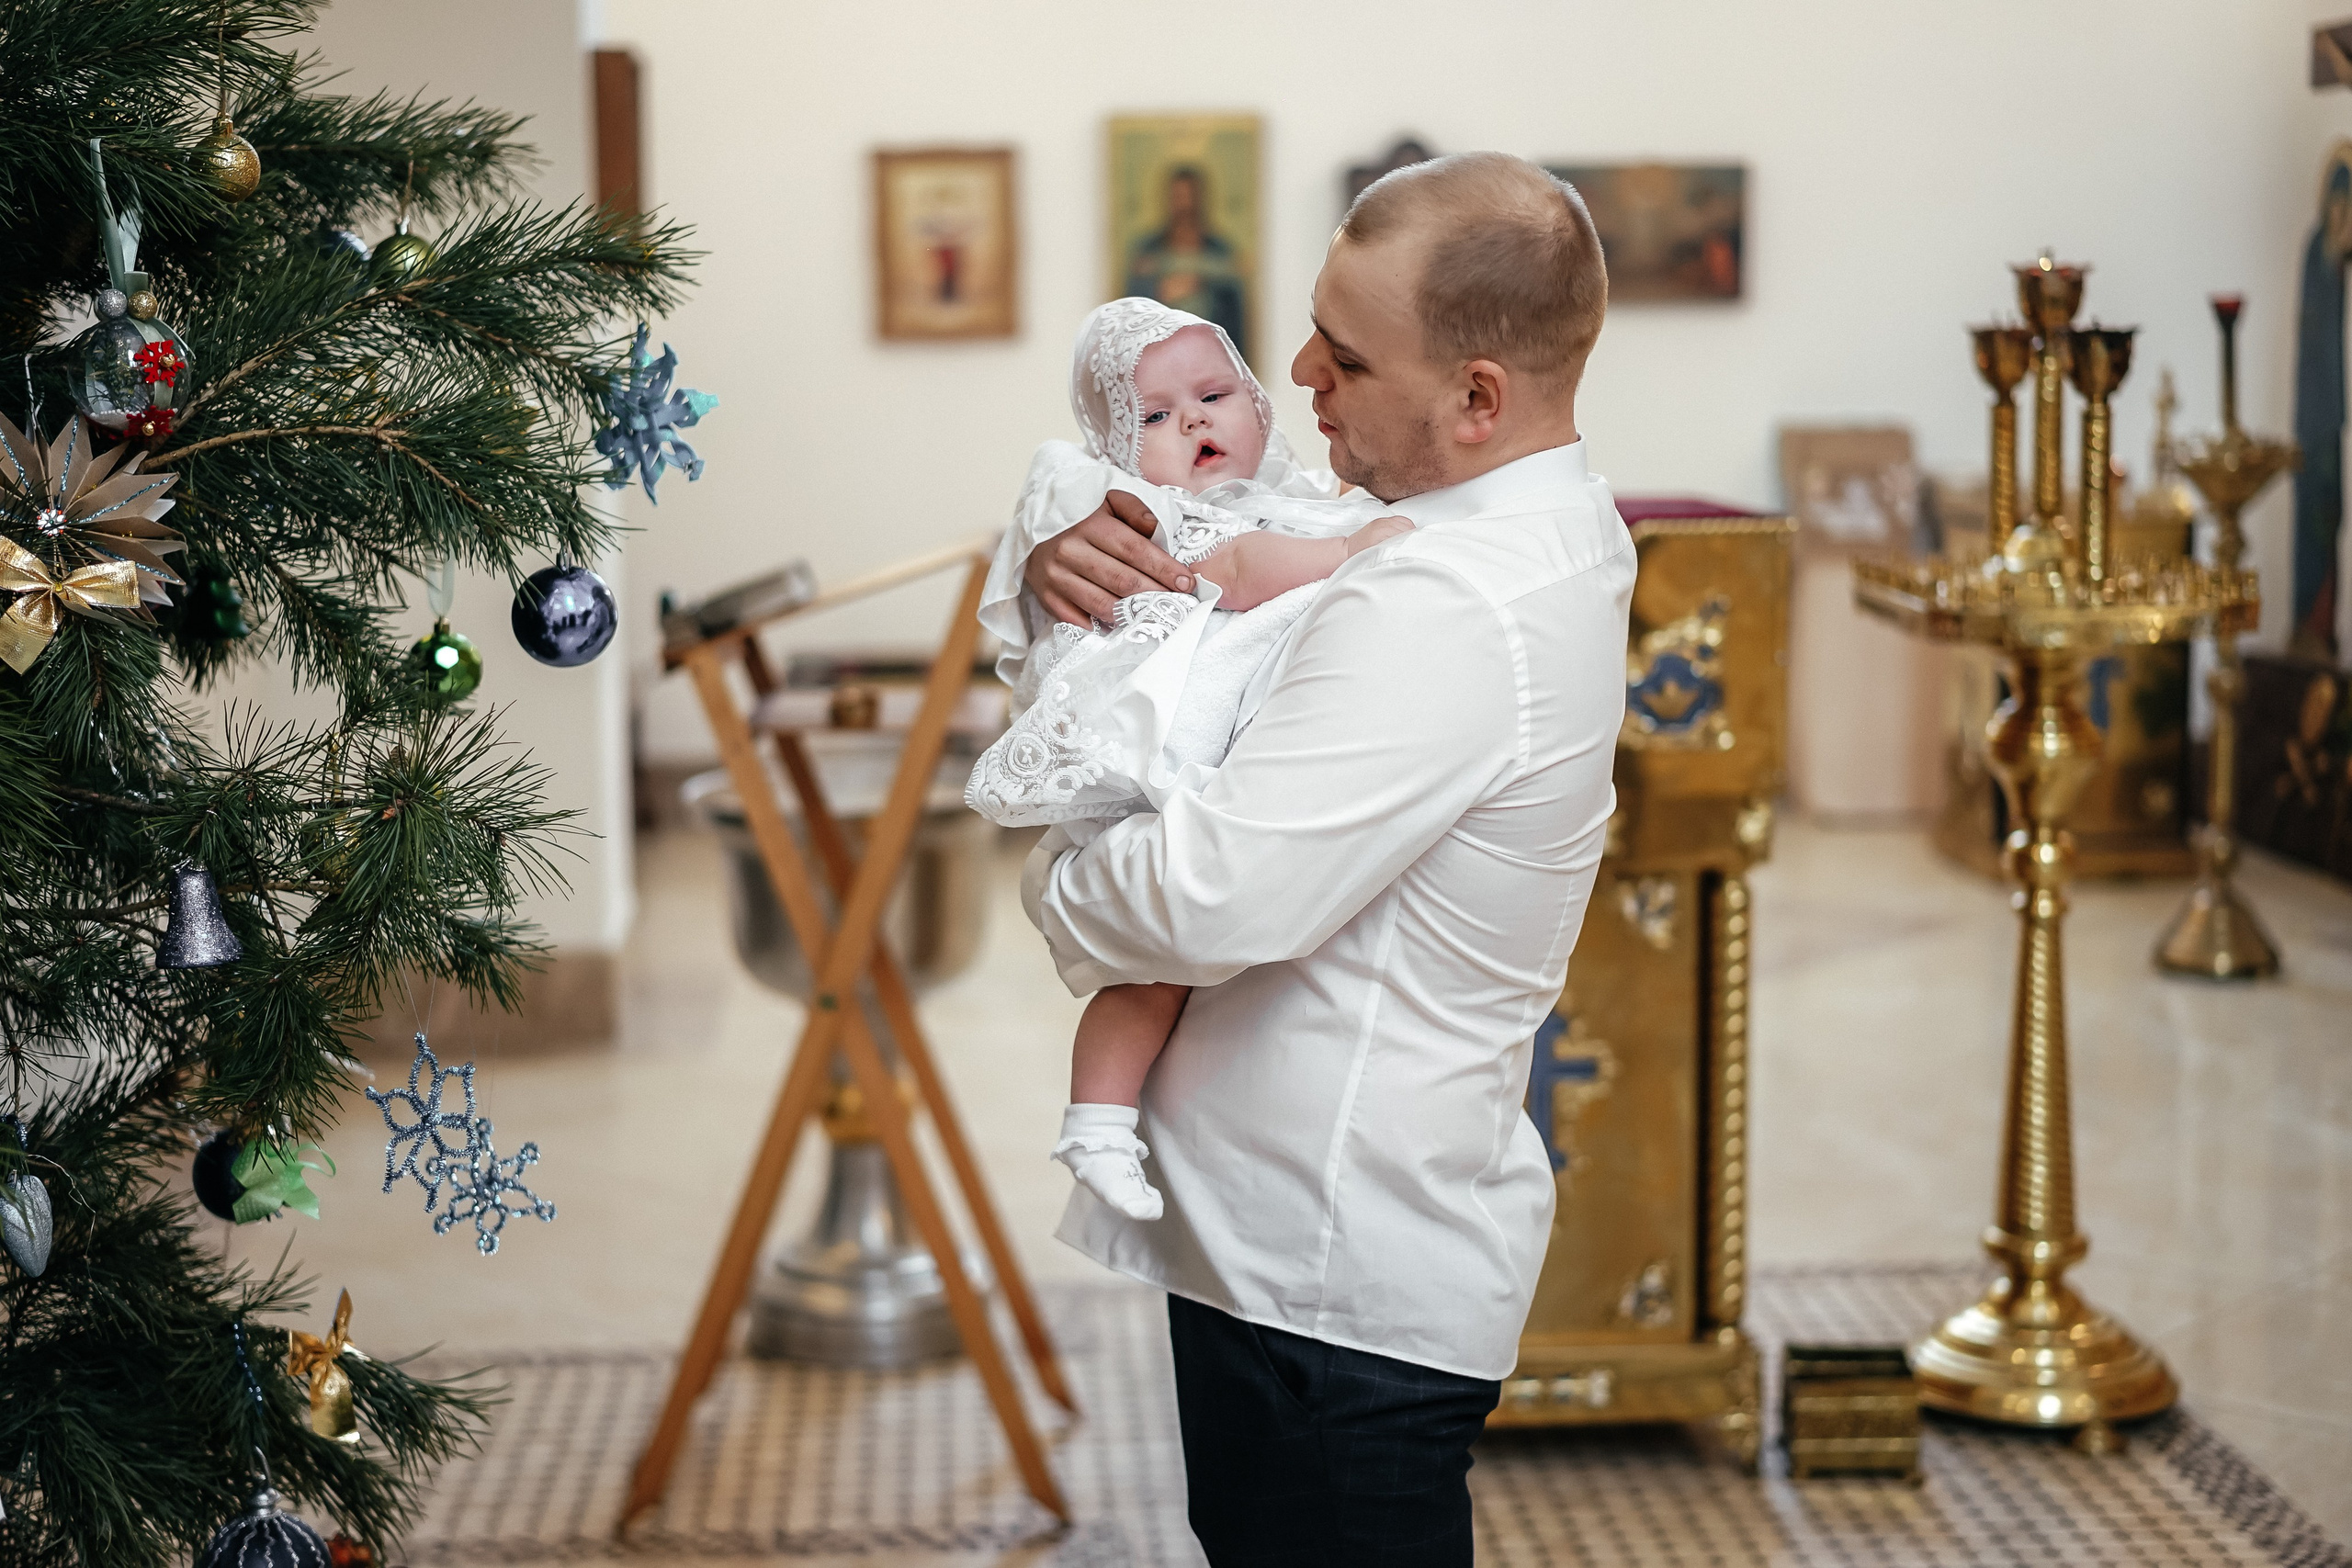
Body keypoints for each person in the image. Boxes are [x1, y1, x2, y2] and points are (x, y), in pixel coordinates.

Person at [1004, 152, 1629, 1565]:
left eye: (1343, 354)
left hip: (1332, 1287)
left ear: (1478, 396)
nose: (1293, 373)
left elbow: (1194, 896)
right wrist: (1075, 580)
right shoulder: (1473, 525)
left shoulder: (1450, 598)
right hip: (1299, 1247)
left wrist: (1053, 870)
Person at [968, 297, 1409, 1223]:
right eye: (1157, 418)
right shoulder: (1163, 521)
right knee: (1155, 965)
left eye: (1214, 394)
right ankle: (1095, 1119)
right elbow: (1244, 573)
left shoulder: (1298, 501)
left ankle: (1095, 1121)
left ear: (1258, 405)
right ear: (1124, 454)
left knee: (1161, 975)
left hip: (1221, 778)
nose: (1195, 421)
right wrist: (1353, 550)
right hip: (1150, 760)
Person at [1124, 165, 1249, 358]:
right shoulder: (1149, 250)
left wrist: (1199, 284)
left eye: (1190, 197)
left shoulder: (1219, 250)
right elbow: (1131, 307)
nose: (1185, 205)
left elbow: (1234, 302)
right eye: (1178, 197)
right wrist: (1160, 290)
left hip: (1209, 355)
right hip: (1160, 356)